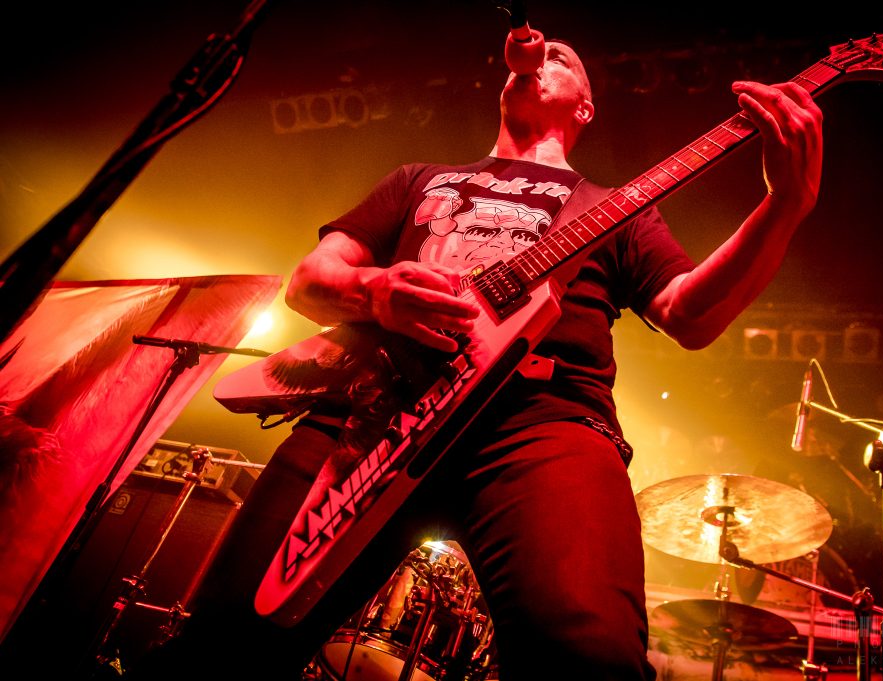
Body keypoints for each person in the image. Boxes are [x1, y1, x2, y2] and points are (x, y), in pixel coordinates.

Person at [128, 35, 821, 681]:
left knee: (587, 655)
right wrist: (374, 291)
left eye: (562, 57)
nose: (543, 54)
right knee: (222, 640)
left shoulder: (615, 208)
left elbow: (689, 314)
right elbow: (309, 281)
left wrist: (784, 205)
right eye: (539, 51)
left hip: (541, 423)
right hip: (371, 411)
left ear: (585, 107)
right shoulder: (418, 179)